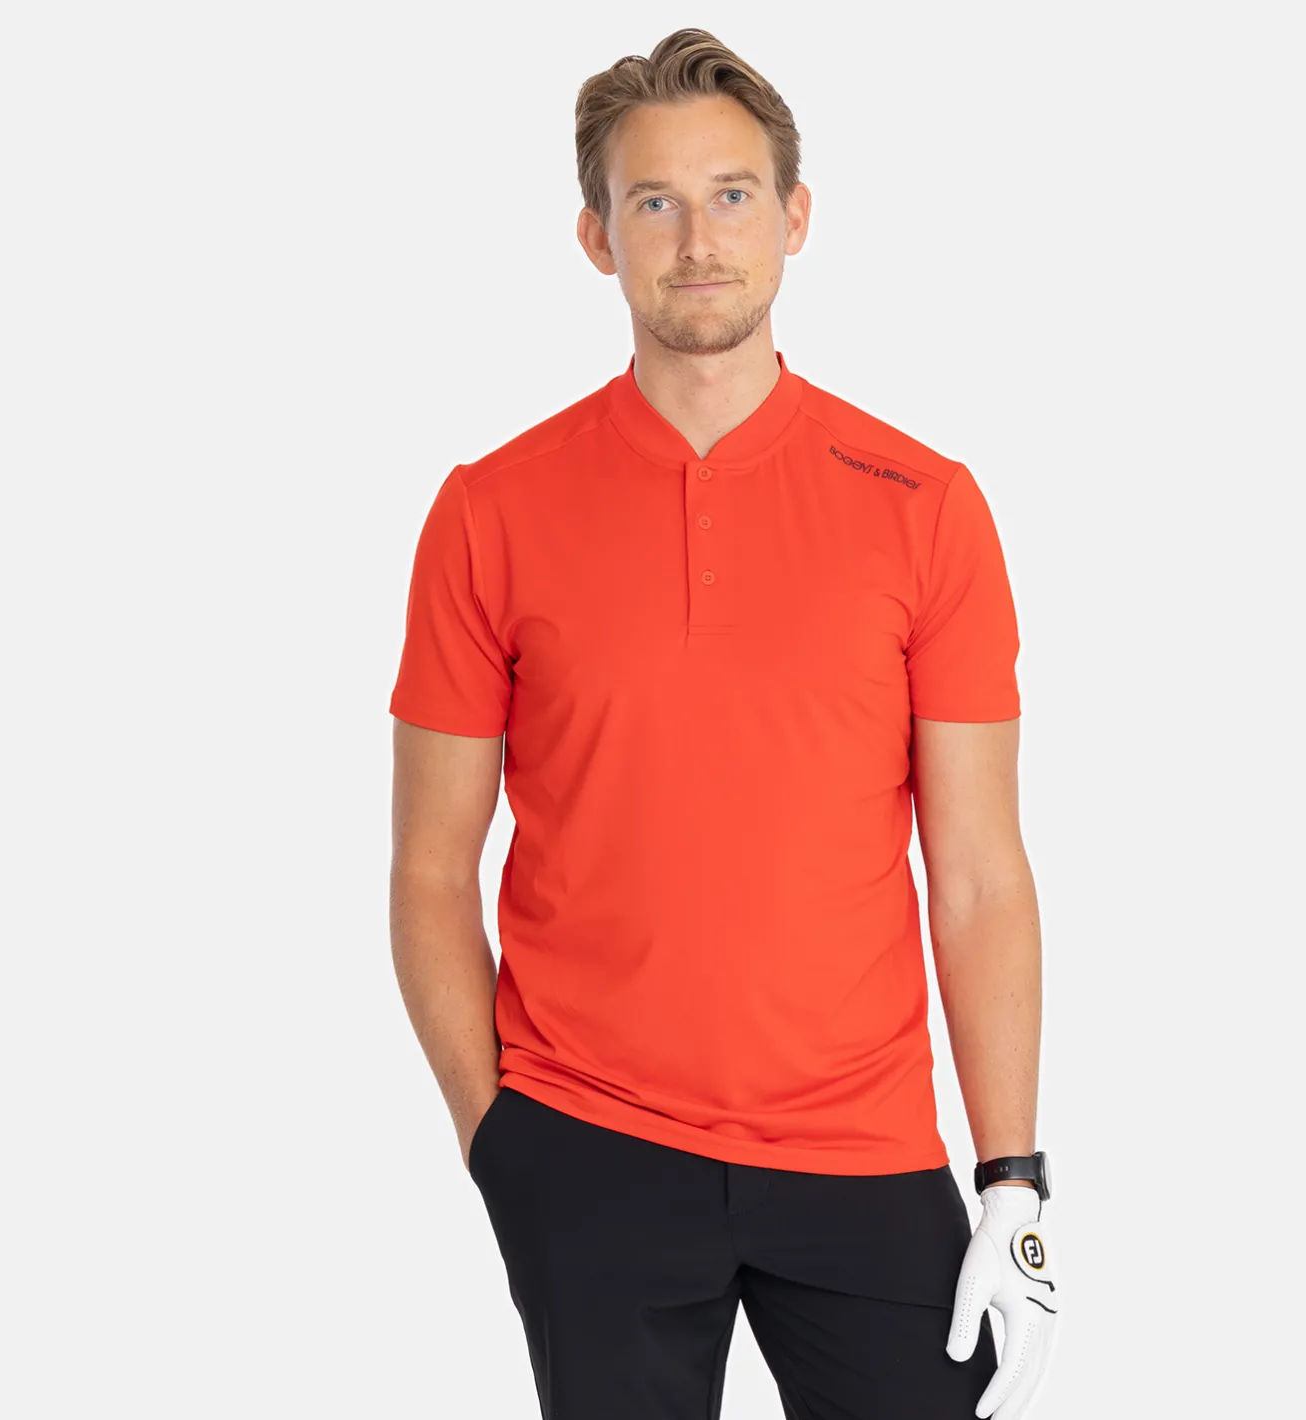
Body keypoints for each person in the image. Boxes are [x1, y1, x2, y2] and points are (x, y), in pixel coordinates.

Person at [388, 26, 1058, 1420]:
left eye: (733, 195)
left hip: (863, 1150)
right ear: (597, 237)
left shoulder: (927, 508)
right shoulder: (490, 510)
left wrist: (1011, 1177)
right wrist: (498, 1142)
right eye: (655, 201)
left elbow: (980, 872)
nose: (698, 240)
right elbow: (430, 867)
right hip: (590, 1144)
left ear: (795, 218)